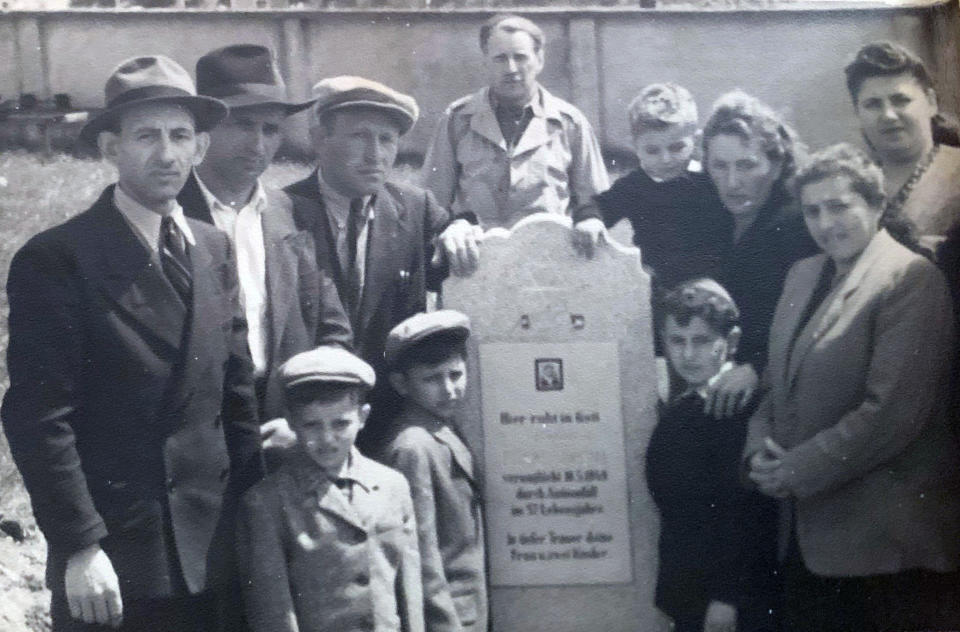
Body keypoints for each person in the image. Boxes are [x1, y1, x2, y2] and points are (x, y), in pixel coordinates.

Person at [1, 55, 262, 631]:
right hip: (123, 559)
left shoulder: (213, 248)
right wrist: (80, 549)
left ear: (199, 149)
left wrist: (257, 516)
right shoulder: (59, 259)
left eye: (180, 136)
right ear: (109, 149)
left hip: (215, 543)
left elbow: (236, 396)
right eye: (146, 136)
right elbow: (41, 418)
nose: (166, 154)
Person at [745, 144, 960, 631]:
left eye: (840, 206)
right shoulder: (802, 275)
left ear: (876, 205)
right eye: (812, 210)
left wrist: (796, 469)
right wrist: (757, 449)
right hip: (808, 540)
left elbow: (891, 414)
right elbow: (778, 383)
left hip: (884, 550)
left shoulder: (909, 278)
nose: (826, 222)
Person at [179, 44, 353, 450]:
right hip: (196, 438)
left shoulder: (293, 213)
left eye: (271, 129)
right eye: (242, 124)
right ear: (203, 130)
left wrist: (304, 420)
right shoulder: (169, 213)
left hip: (284, 423)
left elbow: (332, 333)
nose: (258, 144)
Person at [285, 76, 462, 452]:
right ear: (319, 139)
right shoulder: (280, 212)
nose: (375, 154)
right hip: (310, 422)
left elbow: (454, 244)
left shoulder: (416, 208)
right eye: (359, 137)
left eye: (387, 140)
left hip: (390, 416)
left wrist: (462, 227)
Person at [236, 346, 424, 632]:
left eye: (341, 424)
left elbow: (410, 591)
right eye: (311, 425)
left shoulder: (392, 486)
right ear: (291, 422)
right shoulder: (268, 502)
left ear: (363, 417)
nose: (327, 439)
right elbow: (273, 613)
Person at [646, 279, 775, 632]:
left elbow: (746, 515)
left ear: (731, 342)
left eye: (702, 341)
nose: (688, 355)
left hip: (723, 603)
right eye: (677, 340)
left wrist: (726, 598)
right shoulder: (682, 408)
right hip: (687, 592)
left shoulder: (733, 412)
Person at [421, 13, 609, 239]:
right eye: (500, 58)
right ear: (485, 61)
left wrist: (589, 219)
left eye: (520, 57)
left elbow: (597, 201)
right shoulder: (457, 119)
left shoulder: (569, 122)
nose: (511, 68)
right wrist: (453, 228)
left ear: (539, 60)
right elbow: (432, 202)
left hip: (549, 255)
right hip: (478, 258)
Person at [700, 91, 818, 418]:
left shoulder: (799, 226)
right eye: (719, 166)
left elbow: (815, 319)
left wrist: (757, 369)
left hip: (778, 389)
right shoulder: (707, 214)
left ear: (777, 164)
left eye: (747, 165)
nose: (732, 182)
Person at [382, 311, 487, 632]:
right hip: (448, 617)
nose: (449, 389)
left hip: (470, 608)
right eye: (431, 379)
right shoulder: (413, 445)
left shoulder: (442, 427)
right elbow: (422, 555)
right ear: (401, 384)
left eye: (455, 374)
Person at [573, 82, 727, 291]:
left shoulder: (709, 180)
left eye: (676, 147)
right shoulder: (635, 186)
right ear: (635, 146)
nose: (666, 159)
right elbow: (599, 205)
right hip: (658, 286)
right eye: (653, 150)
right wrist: (590, 219)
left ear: (696, 140)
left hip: (714, 286)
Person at [845, 41, 960, 259]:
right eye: (873, 104)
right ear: (857, 113)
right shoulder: (854, 187)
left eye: (900, 100)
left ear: (931, 102)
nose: (888, 115)